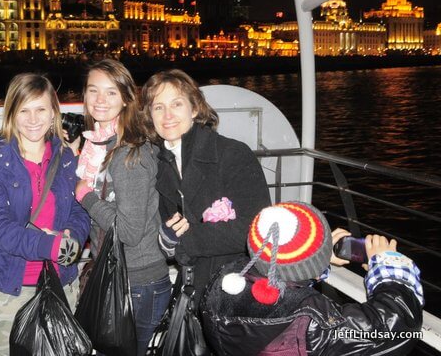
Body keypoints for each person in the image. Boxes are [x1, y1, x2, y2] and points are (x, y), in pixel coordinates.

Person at [201, 201, 424, 355]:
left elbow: (281, 278)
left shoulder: (224, 281)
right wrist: (390, 270)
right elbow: (394, 328)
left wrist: (317, 261)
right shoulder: (311, 324)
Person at [0, 73, 90, 356]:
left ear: (54, 113)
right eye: (24, 110)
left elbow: (79, 209)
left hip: (62, 283)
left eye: (41, 109)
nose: (33, 118)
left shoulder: (65, 156)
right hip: (14, 288)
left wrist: (71, 240)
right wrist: (51, 246)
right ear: (12, 114)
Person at [140, 69, 269, 302]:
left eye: (176, 104)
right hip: (192, 286)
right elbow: (167, 230)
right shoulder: (159, 164)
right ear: (150, 116)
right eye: (158, 107)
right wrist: (166, 240)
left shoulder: (232, 154)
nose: (167, 115)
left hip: (236, 287)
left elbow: (255, 230)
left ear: (195, 109)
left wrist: (184, 241)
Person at [76, 59, 171, 355]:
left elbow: (129, 232)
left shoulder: (130, 154)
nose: (100, 100)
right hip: (116, 273)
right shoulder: (98, 145)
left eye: (111, 92)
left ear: (127, 98)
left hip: (137, 282)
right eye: (93, 91)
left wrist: (85, 196)